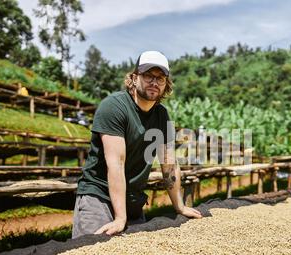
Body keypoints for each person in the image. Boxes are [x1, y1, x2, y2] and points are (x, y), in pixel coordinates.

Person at [73, 51, 202, 239]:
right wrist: (120, 218)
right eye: (148, 75)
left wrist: (180, 207)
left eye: (160, 78)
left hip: (133, 200)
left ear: (166, 84)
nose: (154, 82)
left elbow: (169, 165)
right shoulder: (114, 107)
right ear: (134, 78)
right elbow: (116, 163)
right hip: (99, 196)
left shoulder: (161, 115)